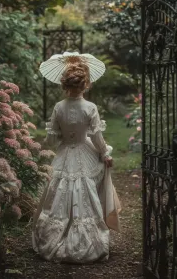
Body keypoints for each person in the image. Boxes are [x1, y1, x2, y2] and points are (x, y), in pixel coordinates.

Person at [32, 57, 121, 264]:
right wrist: (105, 155)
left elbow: (52, 139)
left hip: (64, 153)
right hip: (84, 151)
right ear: (86, 84)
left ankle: (55, 236)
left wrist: (57, 138)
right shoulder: (90, 107)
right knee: (85, 190)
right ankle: (87, 241)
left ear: (64, 85)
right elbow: (98, 139)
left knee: (60, 192)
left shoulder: (58, 107)